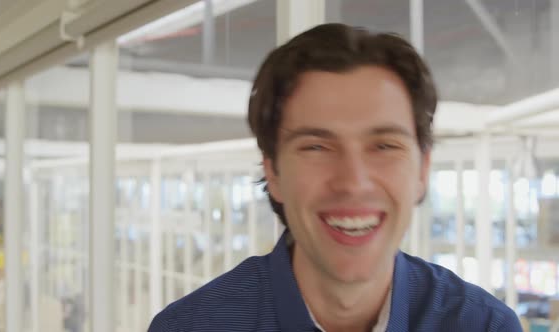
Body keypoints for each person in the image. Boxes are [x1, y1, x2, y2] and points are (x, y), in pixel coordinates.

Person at [149, 23, 522, 332]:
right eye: (316, 147)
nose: (353, 182)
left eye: (384, 146)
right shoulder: (191, 326)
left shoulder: (483, 325)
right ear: (273, 171)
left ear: (422, 170)